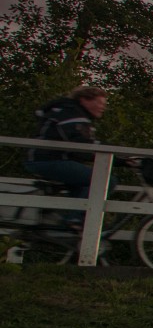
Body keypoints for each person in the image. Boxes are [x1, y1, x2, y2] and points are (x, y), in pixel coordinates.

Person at [25, 85, 129, 229]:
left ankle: (69, 227)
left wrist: (118, 158)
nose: (102, 108)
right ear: (84, 100)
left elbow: (83, 147)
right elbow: (81, 145)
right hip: (49, 160)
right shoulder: (72, 114)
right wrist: (119, 158)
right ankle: (75, 221)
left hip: (48, 160)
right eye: (100, 103)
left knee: (83, 189)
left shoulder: (71, 113)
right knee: (105, 181)